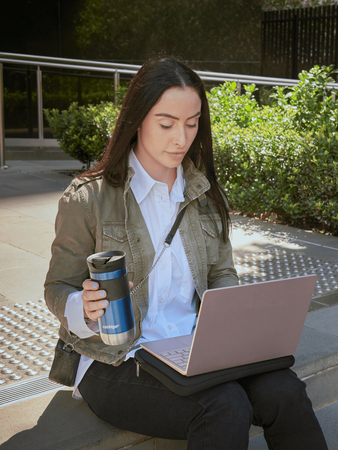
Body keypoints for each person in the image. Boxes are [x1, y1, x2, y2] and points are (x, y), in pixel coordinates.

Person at [44, 57, 328, 450]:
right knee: (223, 405)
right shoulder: (88, 199)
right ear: (138, 119)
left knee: (285, 391)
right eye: (166, 123)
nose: (181, 138)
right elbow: (57, 286)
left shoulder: (202, 192)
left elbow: (221, 274)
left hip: (193, 348)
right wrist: (84, 306)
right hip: (116, 360)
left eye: (192, 123)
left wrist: (231, 322)